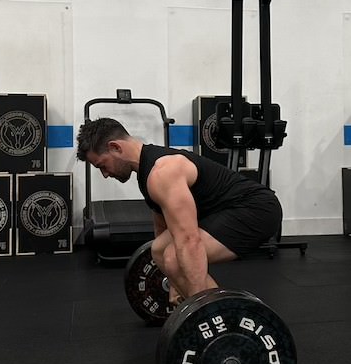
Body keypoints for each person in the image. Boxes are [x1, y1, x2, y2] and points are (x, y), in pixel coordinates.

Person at [76, 117, 283, 306]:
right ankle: (221, 310)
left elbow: (189, 240)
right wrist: (175, 282)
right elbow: (163, 227)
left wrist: (195, 306)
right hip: (224, 211)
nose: (104, 174)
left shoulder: (163, 173)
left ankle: (215, 317)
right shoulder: (146, 170)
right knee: (158, 250)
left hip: (256, 210)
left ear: (115, 147)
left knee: (174, 257)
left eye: (102, 165)